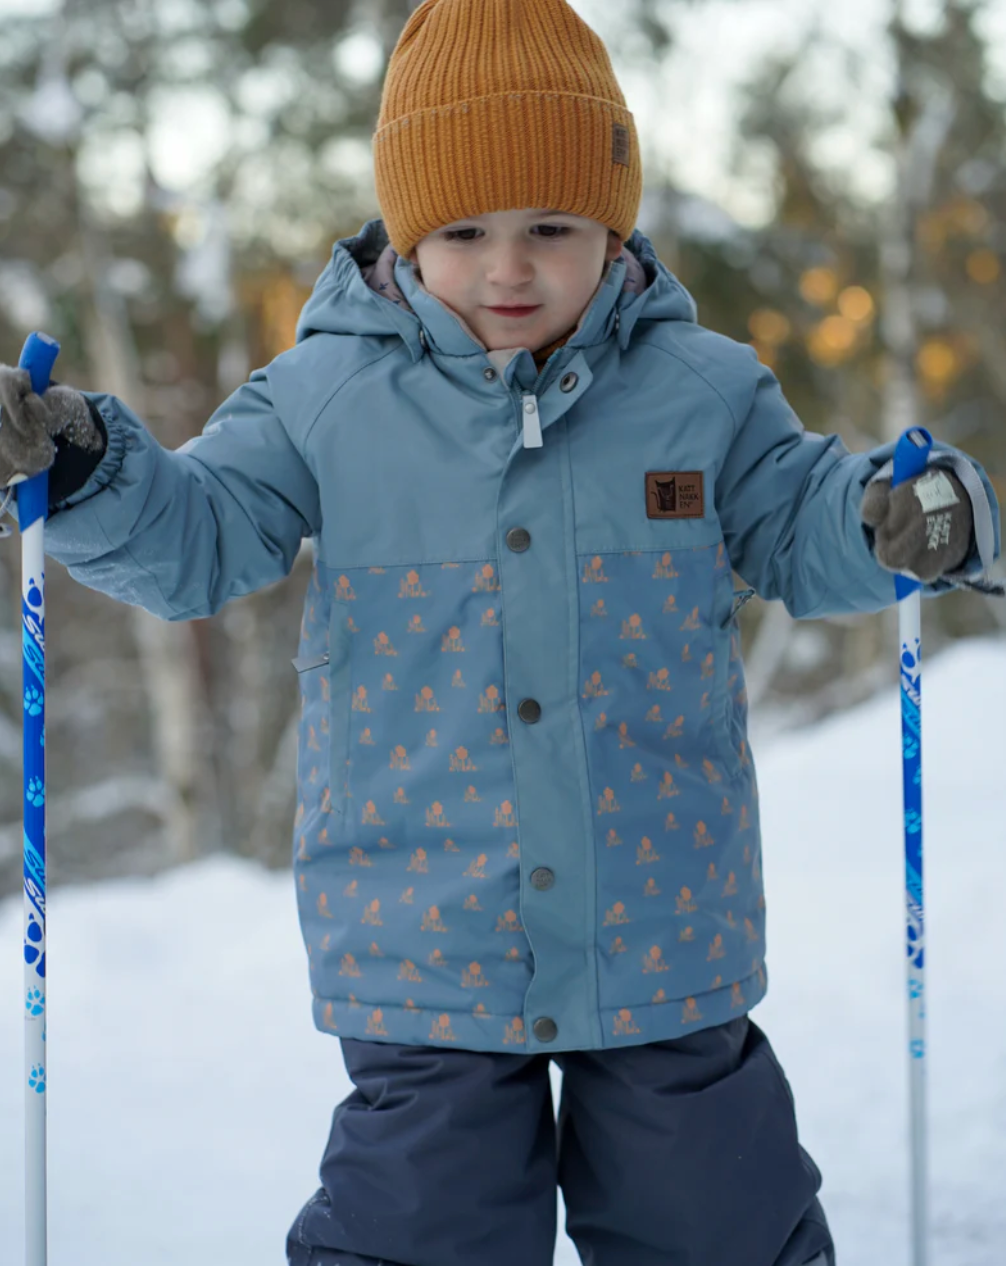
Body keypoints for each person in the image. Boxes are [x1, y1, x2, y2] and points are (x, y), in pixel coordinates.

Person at [0, 1, 1000, 1263]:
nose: (508, 270)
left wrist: (915, 514)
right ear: (407, 235)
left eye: (551, 229)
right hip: (423, 930)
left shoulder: (702, 395)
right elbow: (198, 536)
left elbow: (810, 520)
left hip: (659, 920)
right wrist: (86, 465)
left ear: (613, 228)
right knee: (424, 1220)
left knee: (713, 1213)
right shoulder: (322, 400)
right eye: (464, 233)